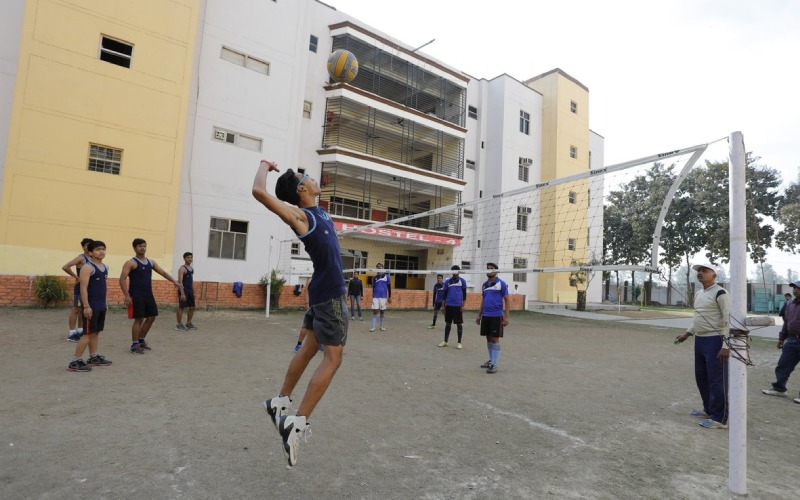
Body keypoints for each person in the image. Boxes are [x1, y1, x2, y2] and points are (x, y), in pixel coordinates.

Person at [254, 160, 348, 467]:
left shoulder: (321, 213)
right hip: (330, 296)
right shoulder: (301, 216)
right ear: (301, 188)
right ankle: (297, 422)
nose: (312, 177)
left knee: (309, 348)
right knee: (333, 358)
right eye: (306, 176)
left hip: (320, 290)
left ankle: (280, 401)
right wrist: (264, 166)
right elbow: (258, 191)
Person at [674, 263, 730, 429]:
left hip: (716, 340)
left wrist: (726, 345)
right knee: (702, 377)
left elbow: (729, 319)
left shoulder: (721, 293)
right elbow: (699, 317)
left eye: (705, 271)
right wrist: (687, 333)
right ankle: (709, 409)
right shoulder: (699, 293)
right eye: (699, 271)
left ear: (714, 275)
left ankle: (720, 418)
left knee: (716, 380)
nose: (700, 273)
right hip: (700, 340)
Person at [119, 238, 183, 354]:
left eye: (144, 246)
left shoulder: (151, 262)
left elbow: (162, 272)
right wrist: (126, 295)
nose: (142, 248)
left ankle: (141, 340)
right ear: (134, 248)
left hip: (148, 294)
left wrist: (174, 281)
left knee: (152, 317)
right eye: (139, 246)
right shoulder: (131, 263)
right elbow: (122, 279)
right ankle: (134, 345)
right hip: (136, 295)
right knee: (139, 319)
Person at [68, 240, 112, 372]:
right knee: (87, 334)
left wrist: (105, 303)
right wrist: (86, 306)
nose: (101, 252)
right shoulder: (87, 267)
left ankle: (93, 357)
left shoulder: (105, 267)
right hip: (90, 305)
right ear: (91, 252)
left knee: (95, 332)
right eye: (98, 249)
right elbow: (83, 287)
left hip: (100, 305)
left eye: (103, 249)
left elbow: (103, 287)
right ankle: (75, 361)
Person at [761, 280, 800, 404]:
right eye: (794, 287)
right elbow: (786, 323)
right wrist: (781, 338)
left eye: (797, 288)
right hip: (792, 340)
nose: (794, 290)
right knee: (783, 365)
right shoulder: (790, 305)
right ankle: (779, 388)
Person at [476, 263, 510, 373]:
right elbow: (483, 301)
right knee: (488, 338)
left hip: (496, 315)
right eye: (488, 269)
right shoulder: (485, 285)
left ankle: (494, 365)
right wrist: (479, 315)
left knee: (495, 339)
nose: (490, 270)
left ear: (496, 271)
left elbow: (507, 300)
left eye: (492, 268)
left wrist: (507, 317)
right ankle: (491, 361)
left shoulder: (501, 284)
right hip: (486, 315)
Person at [61, 238, 93, 342]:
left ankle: (80, 330)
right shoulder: (81, 258)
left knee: (83, 309)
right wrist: (76, 277)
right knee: (76, 308)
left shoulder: (93, 258)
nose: (89, 247)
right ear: (83, 247)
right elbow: (66, 267)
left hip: (89, 287)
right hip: (80, 287)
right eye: (87, 245)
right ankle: (71, 333)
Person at [438, 265, 467, 349]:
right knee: (448, 323)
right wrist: (443, 306)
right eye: (453, 271)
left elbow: (464, 295)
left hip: (458, 306)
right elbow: (445, 294)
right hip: (449, 305)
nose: (454, 272)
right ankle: (445, 341)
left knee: (459, 324)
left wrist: (463, 305)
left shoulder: (462, 281)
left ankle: (459, 342)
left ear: (458, 272)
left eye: (455, 271)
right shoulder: (448, 282)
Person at [175, 252, 197, 331]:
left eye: (191, 257)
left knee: (192, 307)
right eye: (188, 257)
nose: (190, 259)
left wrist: (193, 291)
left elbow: (191, 281)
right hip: (184, 290)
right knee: (181, 307)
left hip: (190, 290)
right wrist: (182, 293)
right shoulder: (182, 269)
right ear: (184, 258)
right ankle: (179, 324)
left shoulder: (191, 269)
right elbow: (180, 282)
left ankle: (188, 323)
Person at [370, 263, 391, 332]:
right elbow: (373, 288)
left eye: (380, 267)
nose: (379, 268)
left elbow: (389, 287)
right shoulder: (374, 278)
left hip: (383, 297)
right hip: (375, 296)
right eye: (378, 267)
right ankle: (373, 327)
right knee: (375, 311)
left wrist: (390, 296)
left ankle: (381, 326)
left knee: (382, 311)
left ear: (383, 268)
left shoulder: (387, 276)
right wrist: (373, 296)